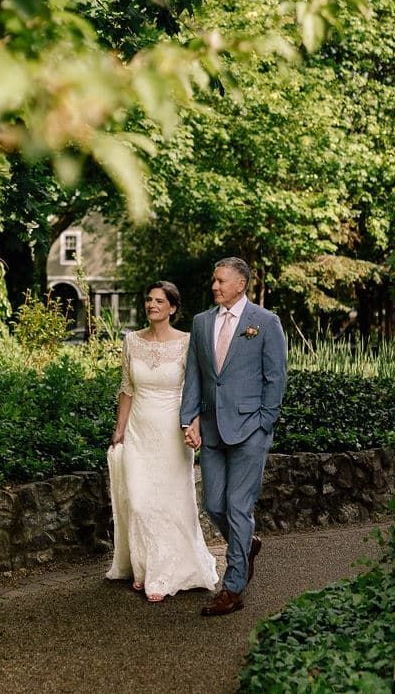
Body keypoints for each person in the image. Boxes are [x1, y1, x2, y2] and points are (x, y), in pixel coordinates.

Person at [180, 257, 287, 617]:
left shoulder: (265, 322)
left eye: (221, 280)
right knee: (214, 505)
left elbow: (276, 377)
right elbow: (196, 374)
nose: (215, 286)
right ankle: (248, 544)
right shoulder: (201, 322)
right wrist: (188, 419)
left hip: (250, 430)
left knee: (239, 508)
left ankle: (233, 587)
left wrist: (264, 423)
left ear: (240, 284)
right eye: (214, 280)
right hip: (211, 429)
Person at [106, 282, 219, 603]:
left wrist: (193, 423)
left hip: (172, 431)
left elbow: (197, 389)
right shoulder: (131, 341)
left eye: (159, 301)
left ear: (172, 307)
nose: (152, 305)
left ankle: (166, 572)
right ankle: (143, 567)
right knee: (140, 501)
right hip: (139, 431)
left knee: (173, 501)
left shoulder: (186, 342)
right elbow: (127, 388)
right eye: (149, 300)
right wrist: (120, 429)